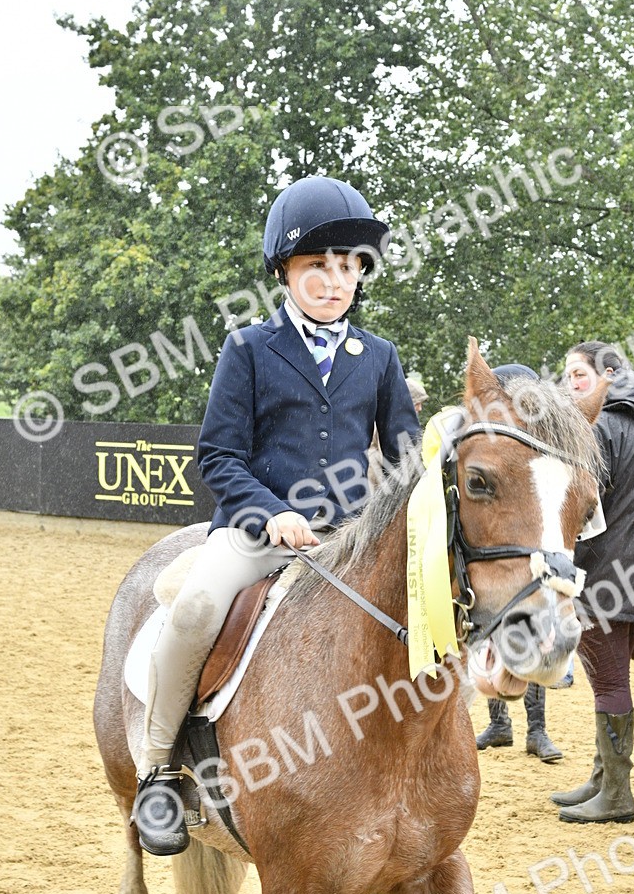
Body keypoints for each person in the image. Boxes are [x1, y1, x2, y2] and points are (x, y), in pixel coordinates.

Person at [133, 175, 421, 855]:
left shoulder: (378, 358)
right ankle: (157, 769)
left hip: (348, 540)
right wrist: (273, 513)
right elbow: (220, 456)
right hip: (256, 534)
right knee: (197, 607)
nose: (334, 279)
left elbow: (407, 457)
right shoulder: (249, 350)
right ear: (286, 272)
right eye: (317, 265)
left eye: (348, 265)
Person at [551, 341, 634, 823]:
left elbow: (582, 505)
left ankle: (618, 795)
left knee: (608, 682)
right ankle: (604, 777)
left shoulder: (597, 427)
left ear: (608, 375)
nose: (569, 384)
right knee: (610, 677)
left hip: (603, 572)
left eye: (578, 375)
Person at [474, 363, 564, 762]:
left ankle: (538, 730)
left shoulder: (543, 444)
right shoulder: (493, 439)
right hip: (497, 552)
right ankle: (499, 724)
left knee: (536, 633)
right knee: (490, 630)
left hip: (535, 553)